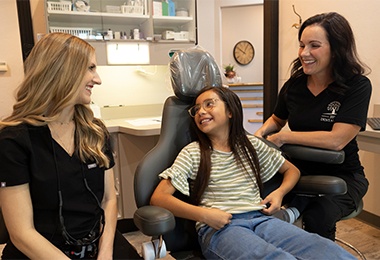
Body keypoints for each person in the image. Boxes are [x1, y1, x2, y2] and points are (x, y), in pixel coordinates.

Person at [150, 85, 355, 259]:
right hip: (221, 229)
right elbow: (159, 198)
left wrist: (279, 193)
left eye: (209, 104)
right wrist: (204, 215)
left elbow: (291, 170)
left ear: (230, 111)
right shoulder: (193, 152)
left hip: (261, 220)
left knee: (325, 250)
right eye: (196, 109)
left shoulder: (251, 146)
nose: (201, 111)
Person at [0, 33, 141, 259]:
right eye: (91, 68)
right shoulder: (14, 140)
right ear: (63, 71)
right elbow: (21, 233)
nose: (98, 79)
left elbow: (109, 199)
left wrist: (105, 252)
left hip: (97, 243)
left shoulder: (94, 131)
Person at [255, 12, 372, 241]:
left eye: (314, 46)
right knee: (260, 204)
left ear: (336, 49)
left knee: (318, 215)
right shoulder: (294, 85)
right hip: (297, 173)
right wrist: (260, 134)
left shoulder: (356, 86)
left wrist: (283, 138)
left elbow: (337, 139)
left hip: (343, 178)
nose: (304, 53)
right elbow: (277, 119)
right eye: (301, 45)